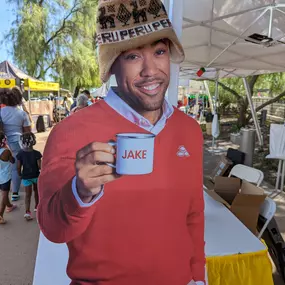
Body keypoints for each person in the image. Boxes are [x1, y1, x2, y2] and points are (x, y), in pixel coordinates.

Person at [38, 0, 205, 284]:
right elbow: (53, 229)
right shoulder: (71, 131)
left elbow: (193, 214)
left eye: (160, 51)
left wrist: (198, 277)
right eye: (132, 57)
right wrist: (79, 192)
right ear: (112, 64)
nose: (150, 70)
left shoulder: (189, 129)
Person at [0, 88, 31, 201]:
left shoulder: (1, 112)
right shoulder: (22, 113)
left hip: (3, 144)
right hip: (18, 142)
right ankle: (14, 193)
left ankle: (4, 190)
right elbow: (27, 132)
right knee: (15, 168)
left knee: (3, 167)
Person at [17, 132, 42, 221]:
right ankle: (37, 207)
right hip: (36, 176)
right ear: (33, 141)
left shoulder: (20, 154)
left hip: (26, 177)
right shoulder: (37, 153)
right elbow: (40, 166)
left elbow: (18, 167)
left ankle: (27, 212)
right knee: (36, 191)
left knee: (28, 195)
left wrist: (20, 174)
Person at [0, 132, 17, 224]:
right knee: (4, 194)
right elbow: (12, 161)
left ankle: (10, 205)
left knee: (3, 194)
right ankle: (0, 215)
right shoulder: (5, 151)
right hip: (5, 176)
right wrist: (8, 149)